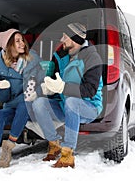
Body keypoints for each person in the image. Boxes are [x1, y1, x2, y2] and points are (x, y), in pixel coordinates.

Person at [32, 22, 103, 168]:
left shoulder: (92, 57)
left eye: (65, 37)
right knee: (38, 103)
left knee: (72, 101)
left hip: (89, 107)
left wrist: (63, 87)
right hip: (65, 105)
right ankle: (54, 144)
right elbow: (51, 78)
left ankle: (67, 154)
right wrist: (48, 89)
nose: (61, 40)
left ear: (75, 39)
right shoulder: (59, 55)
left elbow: (90, 90)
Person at [0, 29, 45, 175]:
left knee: (24, 105)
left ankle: (8, 148)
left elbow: (42, 81)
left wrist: (38, 92)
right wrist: (3, 89)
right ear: (8, 45)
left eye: (22, 40)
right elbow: (3, 99)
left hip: (30, 105)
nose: (22, 43)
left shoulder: (32, 58)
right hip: (11, 105)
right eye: (18, 41)